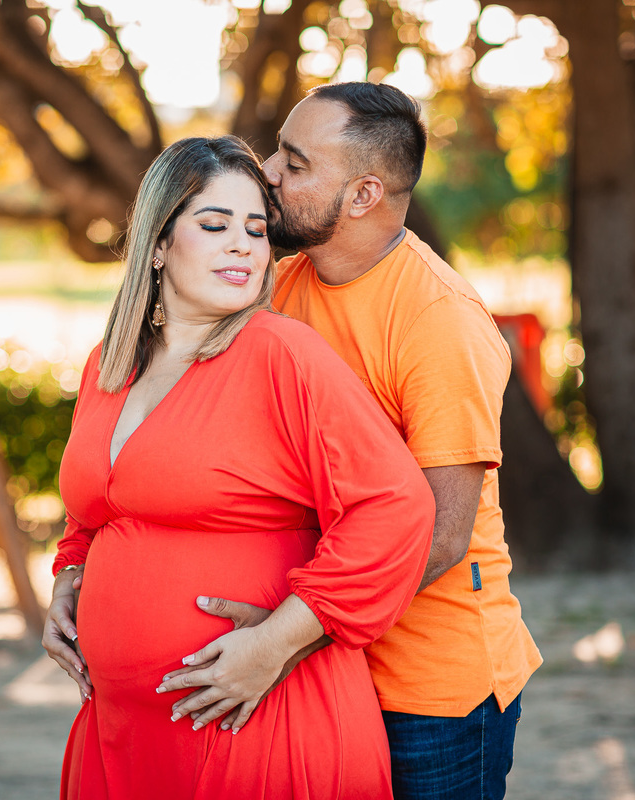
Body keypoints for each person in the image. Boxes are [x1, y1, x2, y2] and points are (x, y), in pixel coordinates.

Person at [156, 84, 542, 799]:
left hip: (428, 691)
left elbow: (439, 536)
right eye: (278, 151)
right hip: (317, 662)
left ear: (364, 194)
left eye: (295, 163)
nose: (267, 172)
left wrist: (280, 638)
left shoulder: (440, 322)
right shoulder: (279, 284)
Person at [41, 135, 436, 799]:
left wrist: (276, 642)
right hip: (126, 732)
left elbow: (395, 508)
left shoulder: (282, 355)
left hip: (256, 719)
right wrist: (71, 576)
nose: (243, 245)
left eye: (256, 229)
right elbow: (95, 510)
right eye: (214, 224)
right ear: (159, 244)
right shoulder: (110, 363)